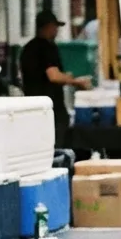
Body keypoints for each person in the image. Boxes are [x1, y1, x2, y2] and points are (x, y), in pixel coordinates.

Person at [21, 11, 92, 147]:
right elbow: (53, 75)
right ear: (47, 27)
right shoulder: (47, 48)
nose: (56, 31)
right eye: (55, 27)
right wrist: (75, 81)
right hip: (52, 108)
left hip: (31, 108)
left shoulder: (27, 49)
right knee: (57, 145)